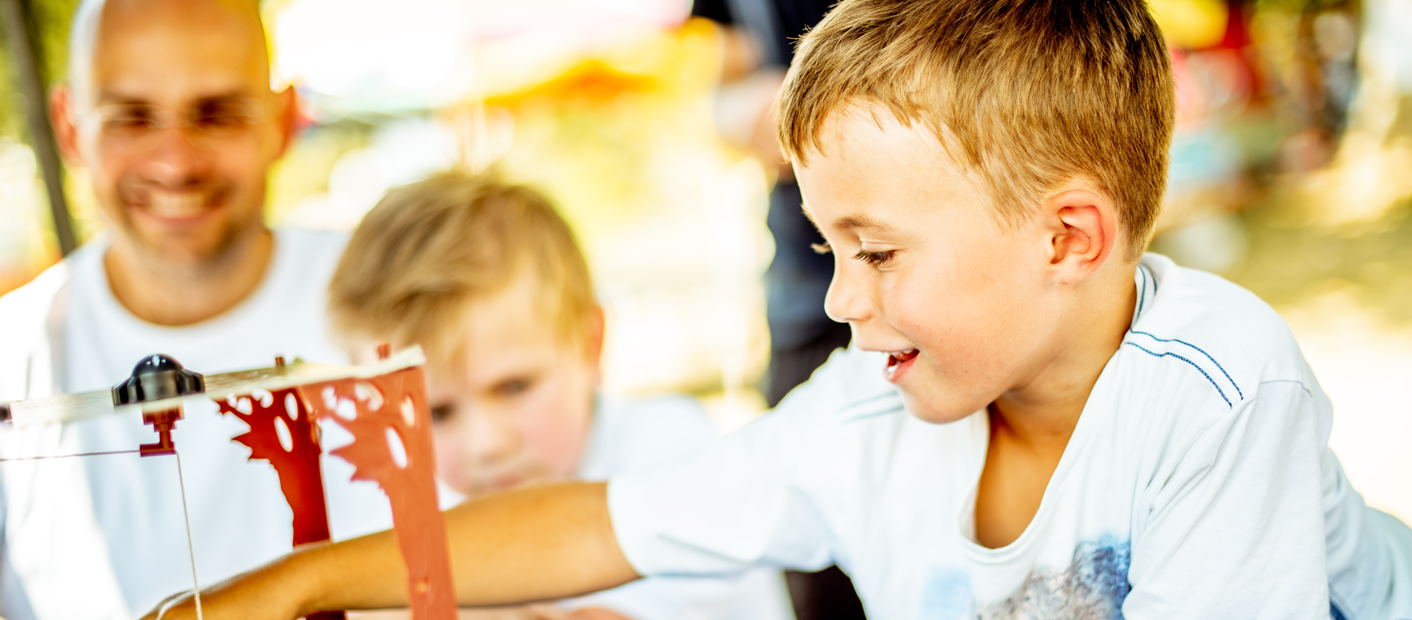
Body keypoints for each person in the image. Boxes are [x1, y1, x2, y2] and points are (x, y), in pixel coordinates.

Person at [144, 0, 1412, 618]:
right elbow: (601, 527)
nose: (843, 300)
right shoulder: (869, 406)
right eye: (825, 248)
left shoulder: (1219, 387)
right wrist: (297, 581)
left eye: (875, 250)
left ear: (1066, 236)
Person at [0, 1, 386, 618]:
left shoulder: (403, 304)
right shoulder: (11, 360)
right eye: (131, 117)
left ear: (283, 120)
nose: (176, 162)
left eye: (218, 115)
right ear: (70, 127)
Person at [322, 172, 793, 620]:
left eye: (513, 387)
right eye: (435, 412)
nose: (487, 443)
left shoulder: (672, 453)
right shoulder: (400, 513)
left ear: (591, 343)